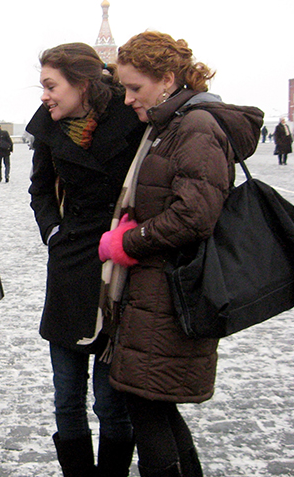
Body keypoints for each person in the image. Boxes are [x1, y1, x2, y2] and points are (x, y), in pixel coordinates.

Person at [101, 31, 262, 477]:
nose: (128, 98)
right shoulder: (171, 124)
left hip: (172, 294)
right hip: (157, 294)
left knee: (148, 406)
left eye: (136, 87)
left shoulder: (195, 127)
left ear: (168, 78)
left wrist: (127, 242)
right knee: (153, 406)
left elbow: (195, 215)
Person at [27, 42, 146, 477]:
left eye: (51, 85)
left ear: (81, 84)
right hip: (70, 264)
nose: (44, 95)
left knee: (111, 401)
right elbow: (40, 188)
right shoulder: (50, 128)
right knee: (67, 397)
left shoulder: (131, 118)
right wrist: (53, 231)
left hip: (119, 267)